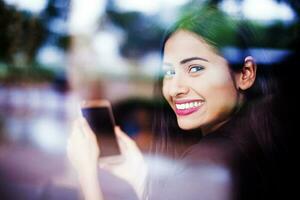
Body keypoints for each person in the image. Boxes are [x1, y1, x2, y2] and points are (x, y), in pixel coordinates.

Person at [67, 6, 287, 200]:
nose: (174, 88)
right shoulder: (258, 140)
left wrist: (86, 174)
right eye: (169, 72)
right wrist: (139, 174)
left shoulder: (209, 165)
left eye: (195, 68)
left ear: (246, 74)